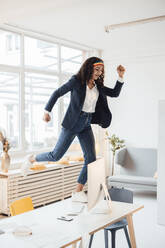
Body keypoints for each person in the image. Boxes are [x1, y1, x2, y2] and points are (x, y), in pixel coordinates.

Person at [27, 57, 125, 202]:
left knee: (91, 159)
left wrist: (120, 76)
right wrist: (47, 111)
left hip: (86, 123)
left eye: (101, 70)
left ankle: (77, 192)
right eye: (96, 69)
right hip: (72, 123)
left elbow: (115, 93)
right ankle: (32, 158)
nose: (99, 73)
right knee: (56, 156)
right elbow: (57, 93)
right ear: (89, 68)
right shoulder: (76, 81)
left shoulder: (98, 85)